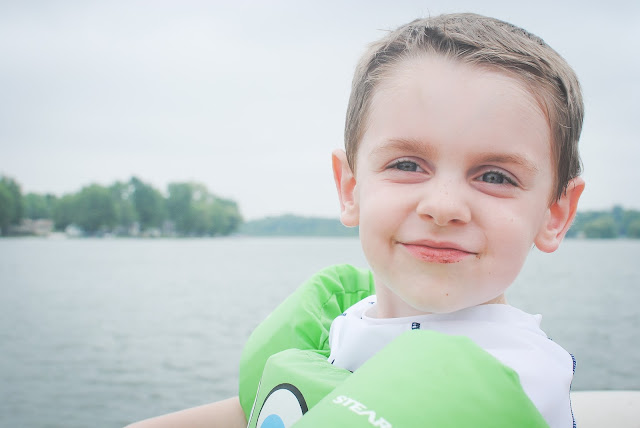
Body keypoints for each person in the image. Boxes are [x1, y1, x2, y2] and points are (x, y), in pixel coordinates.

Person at [127, 12, 584, 428]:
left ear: (554, 214)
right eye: (407, 165)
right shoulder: (345, 324)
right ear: (350, 189)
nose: (443, 206)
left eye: (495, 176)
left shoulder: (512, 379)